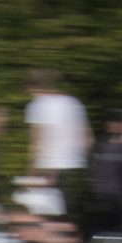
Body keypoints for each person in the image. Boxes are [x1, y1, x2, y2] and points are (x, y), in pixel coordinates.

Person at [24, 69, 91, 215]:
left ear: (32, 86)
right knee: (71, 221)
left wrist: (31, 176)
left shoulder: (38, 105)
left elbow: (36, 144)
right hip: (76, 170)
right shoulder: (74, 103)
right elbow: (88, 139)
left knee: (44, 219)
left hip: (48, 173)